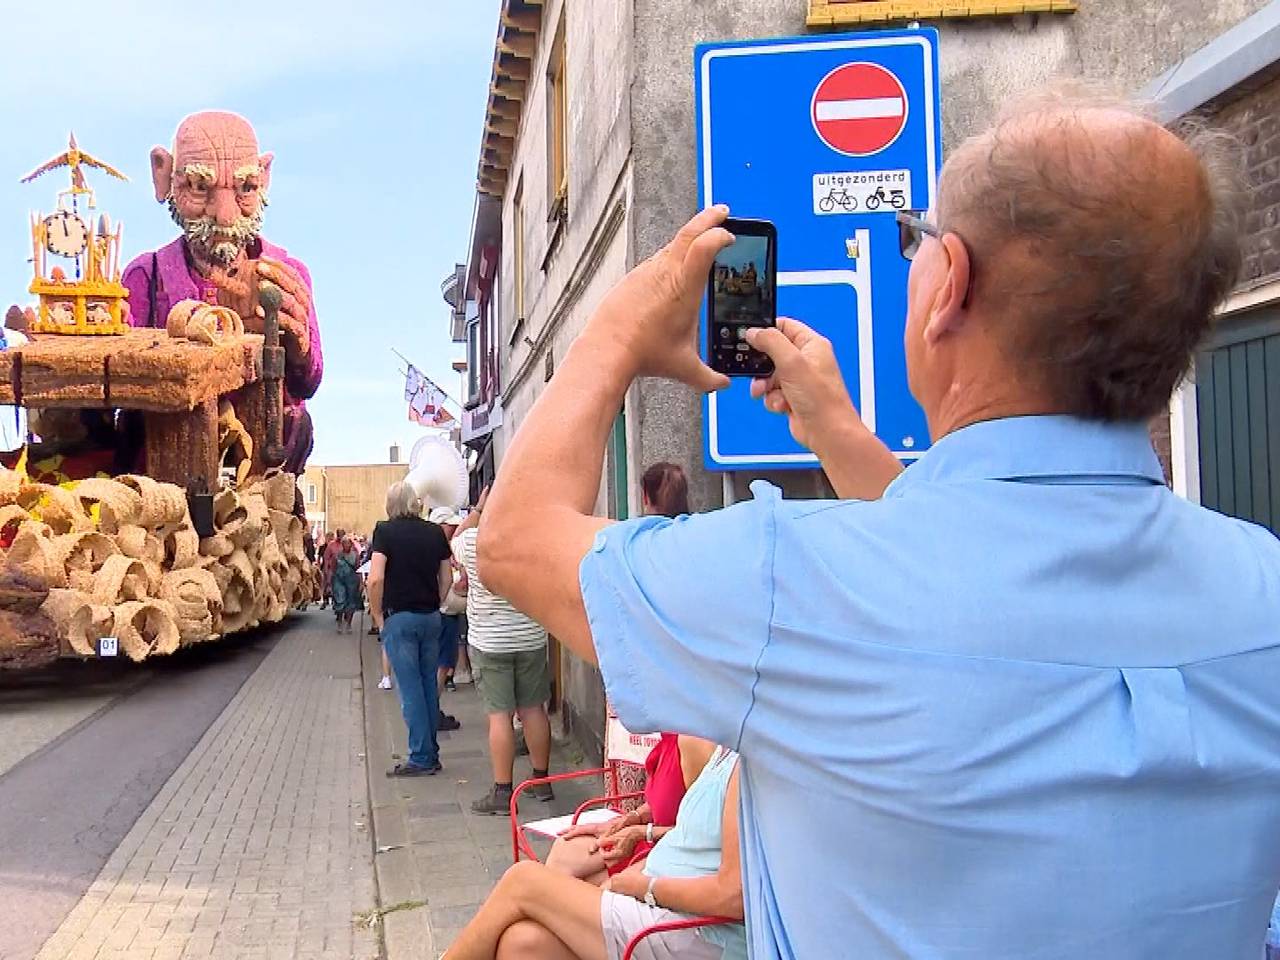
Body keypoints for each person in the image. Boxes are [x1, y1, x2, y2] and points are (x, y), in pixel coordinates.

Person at [476, 88, 1280, 958]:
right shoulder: (1260, 589)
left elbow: (515, 537)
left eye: (918, 241)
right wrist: (838, 433)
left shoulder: (786, 584)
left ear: (952, 285)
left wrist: (617, 331)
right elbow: (961, 577)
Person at [121, 111, 321, 475]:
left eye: (245, 188)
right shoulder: (144, 276)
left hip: (264, 476)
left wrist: (300, 347)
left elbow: (308, 383)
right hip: (167, 479)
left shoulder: (287, 274)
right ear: (164, 175)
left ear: (264, 180)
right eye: (199, 186)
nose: (225, 215)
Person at [445, 749, 745, 960]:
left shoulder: (745, 762)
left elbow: (733, 896)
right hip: (663, 905)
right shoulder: (725, 747)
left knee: (523, 880)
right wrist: (641, 839)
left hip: (695, 932)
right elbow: (689, 835)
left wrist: (642, 886)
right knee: (523, 943)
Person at [452, 493, 556, 814]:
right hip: (529, 636)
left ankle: (502, 790)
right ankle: (541, 782)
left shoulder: (474, 541)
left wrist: (479, 508)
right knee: (533, 709)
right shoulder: (532, 538)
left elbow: (455, 537)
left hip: (491, 642)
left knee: (500, 716)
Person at [547, 734, 715, 885]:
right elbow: (667, 802)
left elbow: (703, 836)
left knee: (578, 885)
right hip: (655, 839)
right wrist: (633, 817)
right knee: (563, 851)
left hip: (678, 855)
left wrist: (641, 832)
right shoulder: (672, 736)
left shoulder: (697, 744)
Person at [367, 481, 453, 777]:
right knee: (428, 684)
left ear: (391, 505)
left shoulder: (385, 531)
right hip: (430, 617)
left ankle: (421, 757)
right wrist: (436, 601)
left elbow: (375, 578)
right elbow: (447, 576)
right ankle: (430, 751)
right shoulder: (433, 532)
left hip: (399, 618)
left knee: (411, 689)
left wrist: (378, 615)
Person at [429, 507, 468, 730]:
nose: (454, 529)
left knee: (442, 663)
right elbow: (447, 580)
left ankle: (433, 710)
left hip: (444, 612)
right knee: (442, 664)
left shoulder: (437, 546)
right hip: (444, 612)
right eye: (450, 525)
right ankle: (432, 712)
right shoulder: (439, 548)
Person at [329, 535, 362, 634]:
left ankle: (349, 624)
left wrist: (361, 582)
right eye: (344, 543)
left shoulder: (355, 555)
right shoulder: (337, 555)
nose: (346, 545)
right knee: (339, 601)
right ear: (342, 545)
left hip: (352, 580)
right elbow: (333, 569)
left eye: (348, 543)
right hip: (339, 580)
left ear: (351, 544)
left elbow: (358, 569)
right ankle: (339, 622)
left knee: (351, 603)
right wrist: (330, 583)